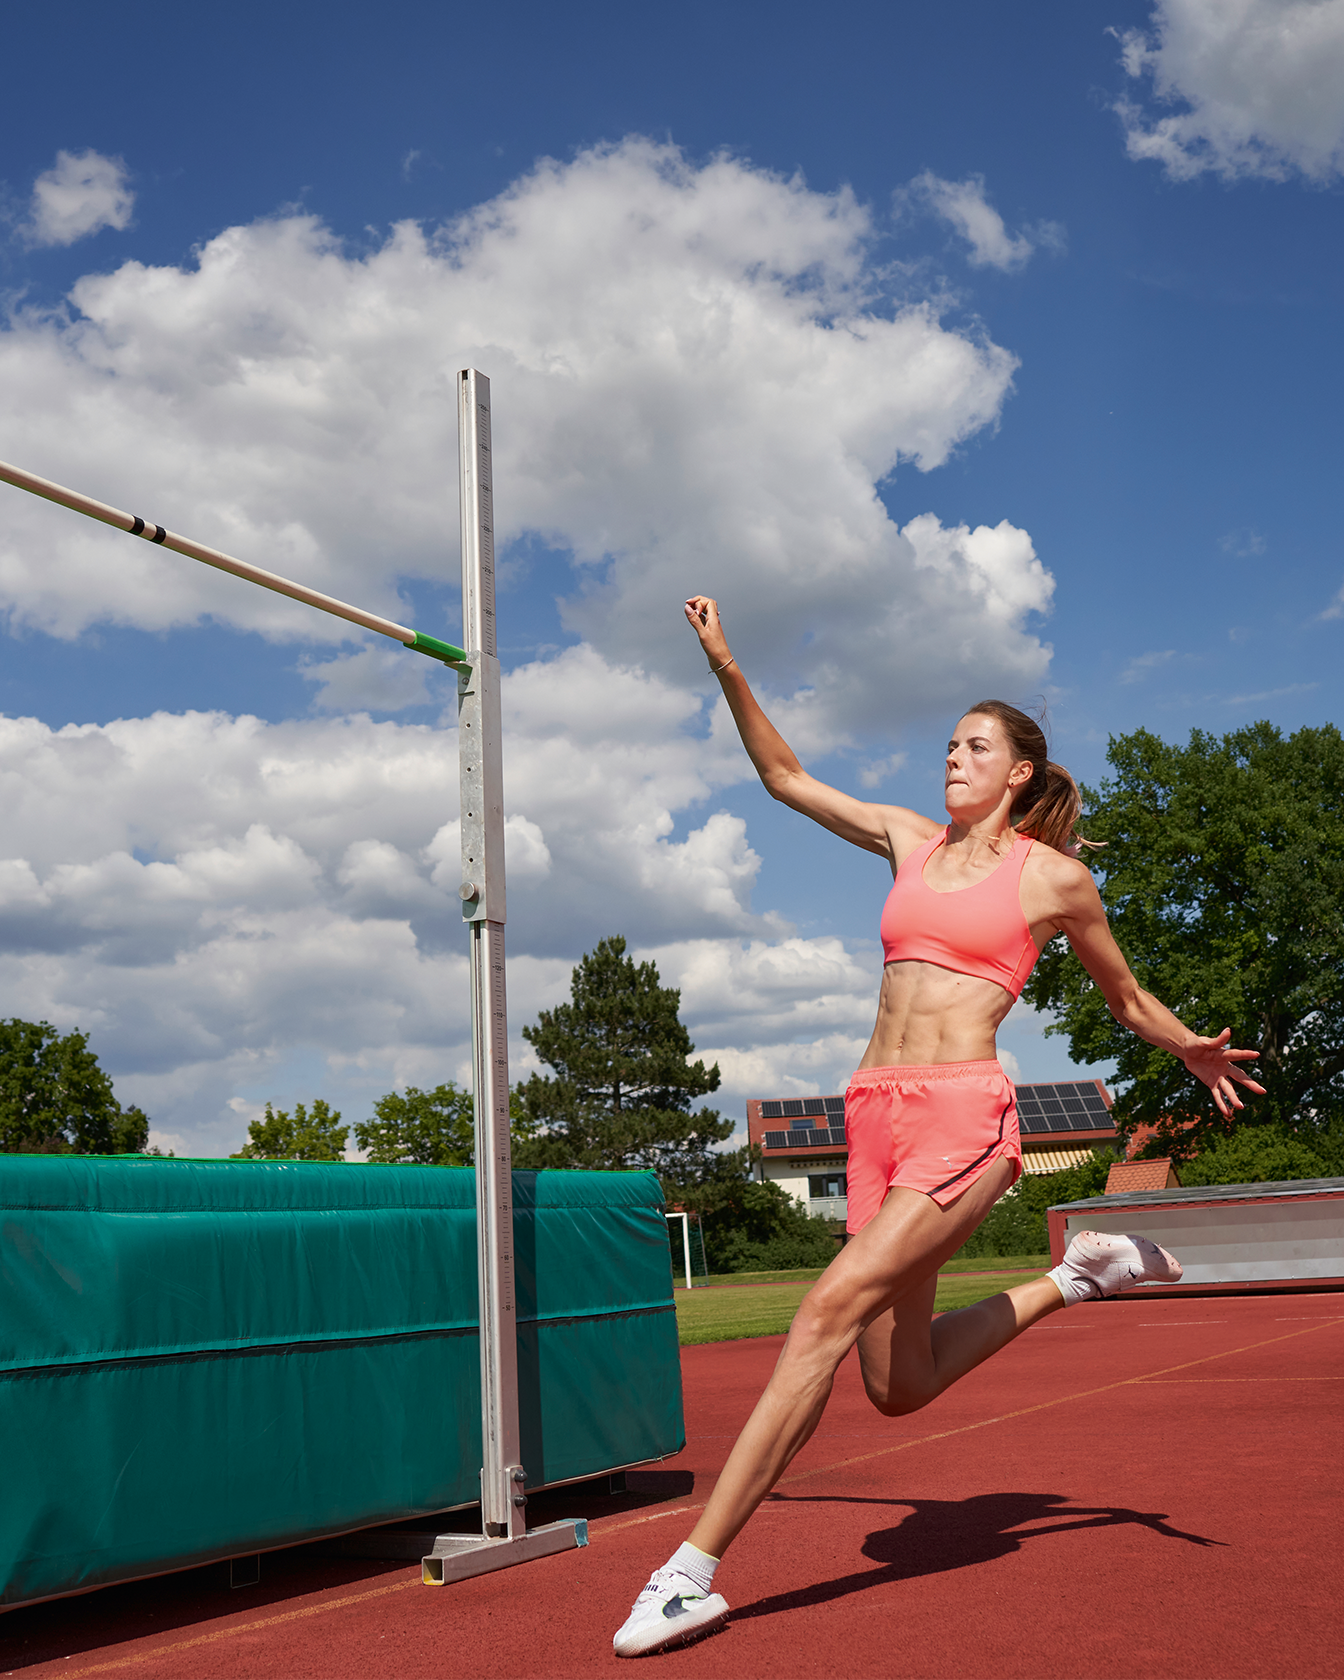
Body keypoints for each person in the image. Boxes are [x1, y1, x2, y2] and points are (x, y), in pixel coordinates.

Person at [612, 596, 1265, 1659]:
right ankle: (1077, 1275)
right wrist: (729, 665)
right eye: (948, 744)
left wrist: (1190, 1046)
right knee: (895, 1385)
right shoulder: (909, 841)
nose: (951, 758)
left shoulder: (1052, 877)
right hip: (870, 1117)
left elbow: (1126, 1000)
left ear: (1018, 774)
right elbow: (785, 779)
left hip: (964, 1119)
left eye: (974, 747)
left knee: (819, 1317)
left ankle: (690, 1574)